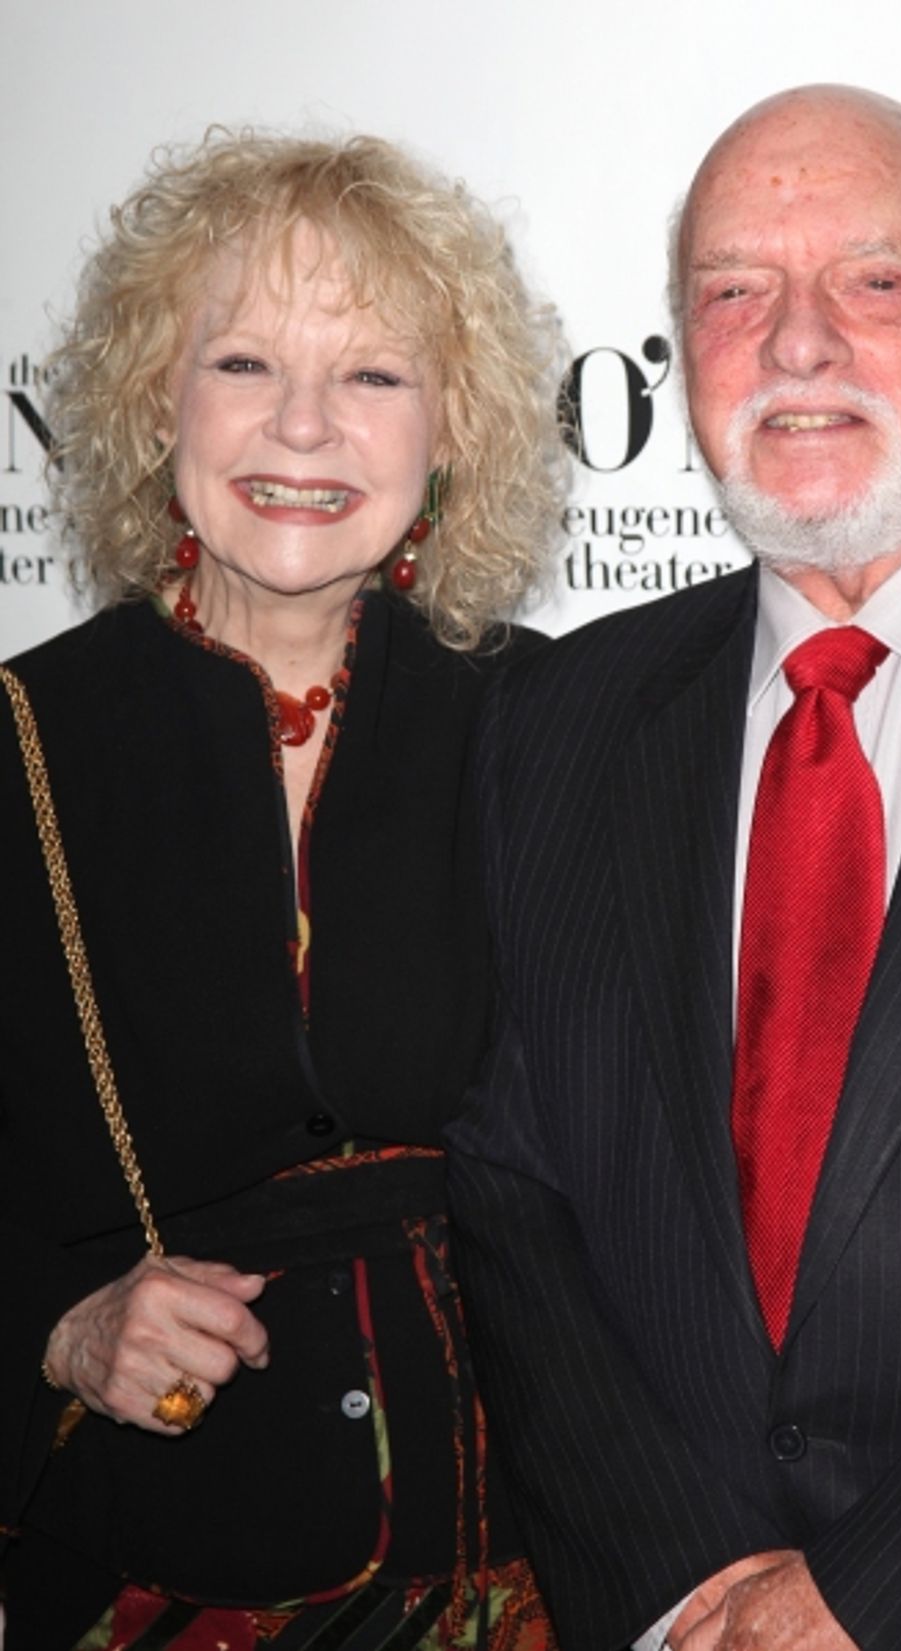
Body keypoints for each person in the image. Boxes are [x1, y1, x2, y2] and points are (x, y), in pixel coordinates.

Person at [446, 83, 901, 1651]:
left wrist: (879, 1605)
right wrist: (687, 1594)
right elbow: (515, 1196)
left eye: (875, 281)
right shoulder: (555, 719)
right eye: (732, 293)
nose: (793, 344)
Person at [0, 130, 564, 1650]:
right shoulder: (22, 746)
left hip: (533, 1567)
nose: (303, 427)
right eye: (244, 361)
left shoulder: (565, 730)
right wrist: (58, 1330)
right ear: (148, 400)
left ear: (453, 429)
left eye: (375, 376)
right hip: (157, 1569)